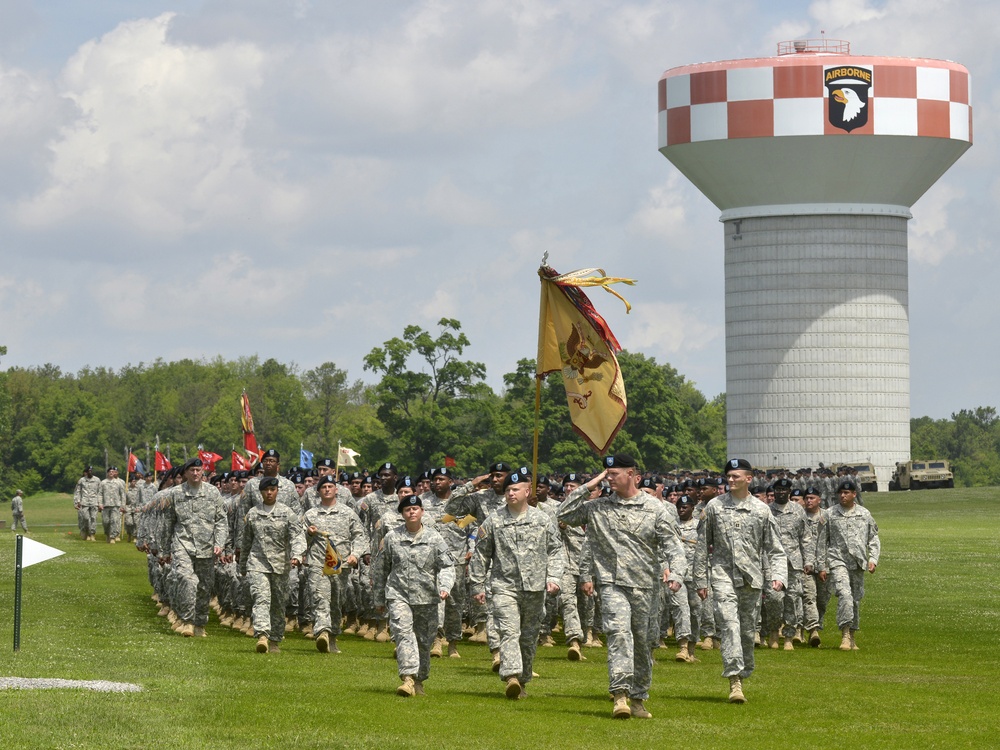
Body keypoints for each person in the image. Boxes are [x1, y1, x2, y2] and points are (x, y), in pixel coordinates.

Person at [558, 455, 686, 720]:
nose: (609, 478)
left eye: (614, 473)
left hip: (645, 586)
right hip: (611, 584)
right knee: (618, 634)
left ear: (631, 474)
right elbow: (564, 514)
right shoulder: (598, 507)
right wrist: (589, 485)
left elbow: (673, 545)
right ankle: (620, 695)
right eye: (606, 474)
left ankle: (638, 697)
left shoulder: (654, 508)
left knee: (643, 642)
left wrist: (677, 573)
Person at [694, 458, 787, 704]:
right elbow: (702, 547)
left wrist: (778, 576)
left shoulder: (761, 510)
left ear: (749, 478)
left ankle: (743, 673)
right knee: (729, 625)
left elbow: (775, 549)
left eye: (736, 476)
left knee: (747, 631)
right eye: (728, 476)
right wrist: (701, 580)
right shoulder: (714, 507)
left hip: (751, 580)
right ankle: (734, 681)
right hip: (722, 575)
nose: (731, 480)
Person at [470, 468, 564, 700]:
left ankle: (522, 681)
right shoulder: (494, 520)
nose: (510, 493)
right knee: (509, 631)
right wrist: (477, 586)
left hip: (534, 588)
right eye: (508, 489)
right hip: (504, 586)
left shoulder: (542, 519)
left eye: (515, 489)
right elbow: (481, 555)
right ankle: (511, 675)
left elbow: (556, 551)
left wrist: (554, 578)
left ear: (527, 491)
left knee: (529, 636)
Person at [374, 493, 455, 697]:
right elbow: (381, 569)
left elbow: (447, 565)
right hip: (398, 594)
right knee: (403, 634)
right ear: (402, 514)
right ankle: (408, 679)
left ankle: (419, 680)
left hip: (427, 598)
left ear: (422, 512)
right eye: (407, 509)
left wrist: (445, 586)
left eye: (415, 509)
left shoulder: (434, 538)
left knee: (424, 641)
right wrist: (378, 598)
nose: (411, 512)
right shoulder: (392, 538)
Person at [161, 458, 228, 638]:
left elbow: (221, 521)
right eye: (192, 470)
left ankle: (199, 623)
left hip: (206, 547)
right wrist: (165, 550)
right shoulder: (175, 493)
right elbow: (168, 523)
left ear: (203, 471)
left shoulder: (213, 493)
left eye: (198, 470)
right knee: (187, 580)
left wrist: (219, 544)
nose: (196, 473)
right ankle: (187, 621)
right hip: (183, 544)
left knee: (204, 588)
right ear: (185, 473)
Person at [303, 474, 368, 654]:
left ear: (336, 490)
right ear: (318, 491)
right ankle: (322, 631)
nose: (327, 489)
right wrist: (308, 533)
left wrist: (355, 554)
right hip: (318, 564)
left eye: (330, 486)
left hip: (340, 565)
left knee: (336, 602)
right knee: (320, 597)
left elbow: (360, 536)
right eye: (324, 487)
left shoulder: (348, 513)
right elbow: (300, 541)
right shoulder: (310, 515)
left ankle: (332, 637)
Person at [819, 480, 881, 651]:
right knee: (845, 595)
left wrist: (873, 559)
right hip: (837, 561)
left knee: (854, 600)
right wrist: (822, 566)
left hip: (857, 562)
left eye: (847, 493)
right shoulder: (830, 514)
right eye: (840, 493)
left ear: (854, 494)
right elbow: (821, 542)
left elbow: (873, 538)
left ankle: (852, 635)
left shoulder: (864, 514)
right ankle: (845, 634)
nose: (843, 495)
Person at [99, 466, 128, 543]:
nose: (111, 473)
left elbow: (123, 494)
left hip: (116, 505)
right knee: (106, 522)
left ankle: (112, 537)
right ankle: (107, 534)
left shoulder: (119, 482)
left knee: (114, 521)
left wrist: (123, 506)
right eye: (110, 472)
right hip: (106, 505)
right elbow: (100, 494)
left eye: (113, 471)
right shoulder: (103, 482)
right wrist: (100, 504)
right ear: (108, 473)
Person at [73, 466, 102, 541]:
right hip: (84, 502)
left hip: (94, 502)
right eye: (88, 471)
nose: (90, 472)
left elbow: (100, 492)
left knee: (93, 518)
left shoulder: (97, 480)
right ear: (86, 472)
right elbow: (78, 492)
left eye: (91, 470)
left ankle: (92, 534)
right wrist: (77, 502)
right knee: (86, 518)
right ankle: (86, 531)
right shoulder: (82, 480)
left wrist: (100, 503)